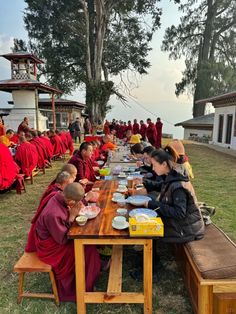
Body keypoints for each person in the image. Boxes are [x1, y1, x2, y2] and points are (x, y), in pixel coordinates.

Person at [34, 183, 101, 301]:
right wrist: (71, 217)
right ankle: (80, 289)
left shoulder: (60, 197)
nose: (78, 205)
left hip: (58, 238)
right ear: (70, 201)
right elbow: (63, 239)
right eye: (76, 203)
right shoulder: (53, 213)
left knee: (88, 244)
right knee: (87, 248)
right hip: (51, 248)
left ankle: (89, 276)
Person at [144, 147, 205, 243]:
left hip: (186, 230)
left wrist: (153, 204)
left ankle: (151, 256)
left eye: (154, 165)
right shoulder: (173, 175)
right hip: (183, 225)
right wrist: (144, 182)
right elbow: (162, 186)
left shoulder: (178, 185)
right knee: (147, 216)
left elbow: (179, 213)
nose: (153, 168)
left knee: (147, 227)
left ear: (164, 164)